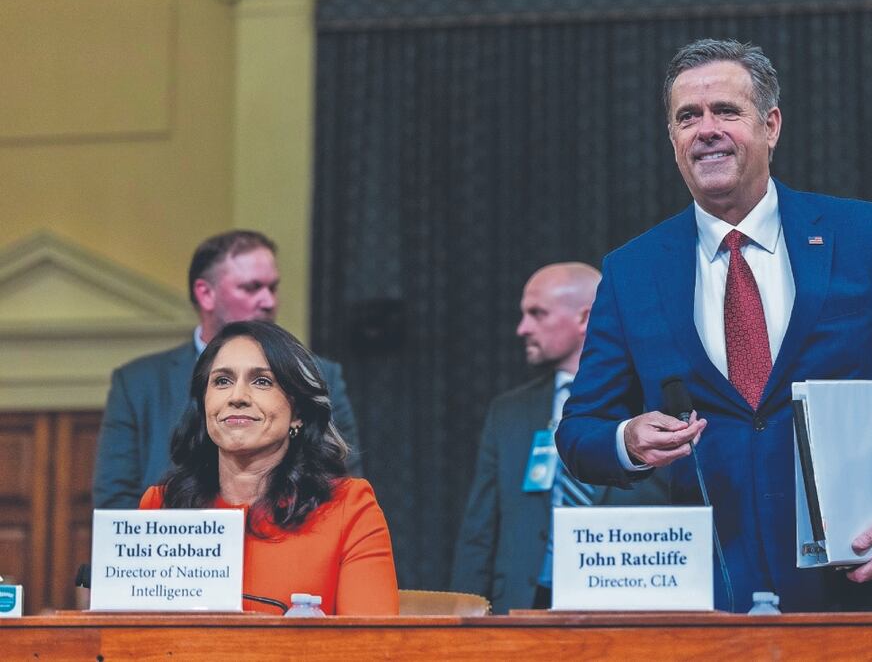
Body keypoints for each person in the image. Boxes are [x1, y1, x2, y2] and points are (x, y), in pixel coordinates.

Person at [556, 38, 872, 612]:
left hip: (866, 592)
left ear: (771, 125)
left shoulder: (863, 237)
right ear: (672, 140)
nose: (706, 129)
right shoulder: (633, 270)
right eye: (687, 117)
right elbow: (580, 429)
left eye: (726, 111)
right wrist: (626, 440)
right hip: (710, 605)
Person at [450, 263, 669, 613]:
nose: (523, 328)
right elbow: (480, 529)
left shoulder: (654, 404)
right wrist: (462, 615)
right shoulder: (509, 411)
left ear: (585, 319)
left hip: (626, 599)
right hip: (525, 602)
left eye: (537, 313)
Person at [140, 320, 398, 615]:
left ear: (298, 412)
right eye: (222, 381)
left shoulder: (348, 508)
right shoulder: (161, 506)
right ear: (204, 405)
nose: (237, 397)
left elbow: (374, 648)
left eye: (262, 381)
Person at [94, 230, 361, 510]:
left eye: (272, 288)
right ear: (205, 294)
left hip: (294, 532)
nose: (268, 302)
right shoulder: (138, 383)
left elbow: (340, 481)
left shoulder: (321, 375)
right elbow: (115, 501)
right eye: (251, 287)